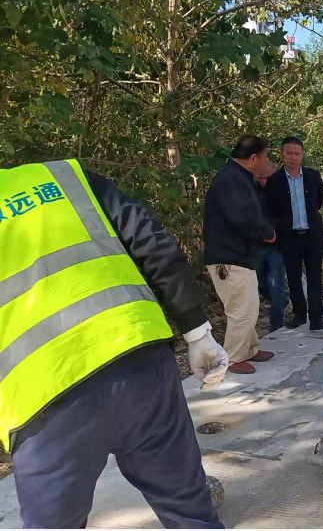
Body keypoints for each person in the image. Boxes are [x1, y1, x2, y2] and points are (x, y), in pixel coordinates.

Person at [1, 158, 228, 529]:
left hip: (44, 401)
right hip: (140, 363)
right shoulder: (61, 177)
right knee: (191, 514)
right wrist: (197, 332)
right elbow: (151, 242)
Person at [204, 135, 277, 374]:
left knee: (249, 304)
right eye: (265, 157)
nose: (267, 161)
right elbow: (241, 217)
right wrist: (267, 233)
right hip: (228, 255)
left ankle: (249, 349)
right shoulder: (230, 180)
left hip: (240, 254)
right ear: (253, 157)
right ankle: (234, 357)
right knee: (241, 310)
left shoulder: (239, 177)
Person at [265, 137, 323, 331]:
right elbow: (271, 209)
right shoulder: (274, 181)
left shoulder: (313, 176)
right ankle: (300, 314)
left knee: (315, 276)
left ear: (302, 155)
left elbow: (318, 202)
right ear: (282, 154)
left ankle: (316, 318)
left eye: (297, 153)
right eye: (289, 153)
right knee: (293, 276)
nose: (293, 157)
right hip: (289, 236)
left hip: (312, 233)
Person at [254, 160, 290, 333]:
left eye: (267, 178)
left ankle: (277, 321)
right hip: (259, 243)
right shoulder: (252, 191)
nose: (264, 182)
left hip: (279, 243)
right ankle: (281, 301)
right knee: (261, 284)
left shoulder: (284, 187)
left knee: (277, 281)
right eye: (260, 178)